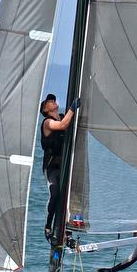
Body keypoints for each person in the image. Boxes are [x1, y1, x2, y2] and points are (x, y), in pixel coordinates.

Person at [39, 93, 80, 244]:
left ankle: (67, 231)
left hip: (65, 165)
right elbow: (62, 126)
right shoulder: (47, 122)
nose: (53, 101)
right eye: (49, 101)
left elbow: (69, 123)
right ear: (45, 109)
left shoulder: (63, 116)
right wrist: (73, 108)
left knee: (69, 196)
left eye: (53, 100)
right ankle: (48, 226)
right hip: (52, 168)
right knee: (55, 193)